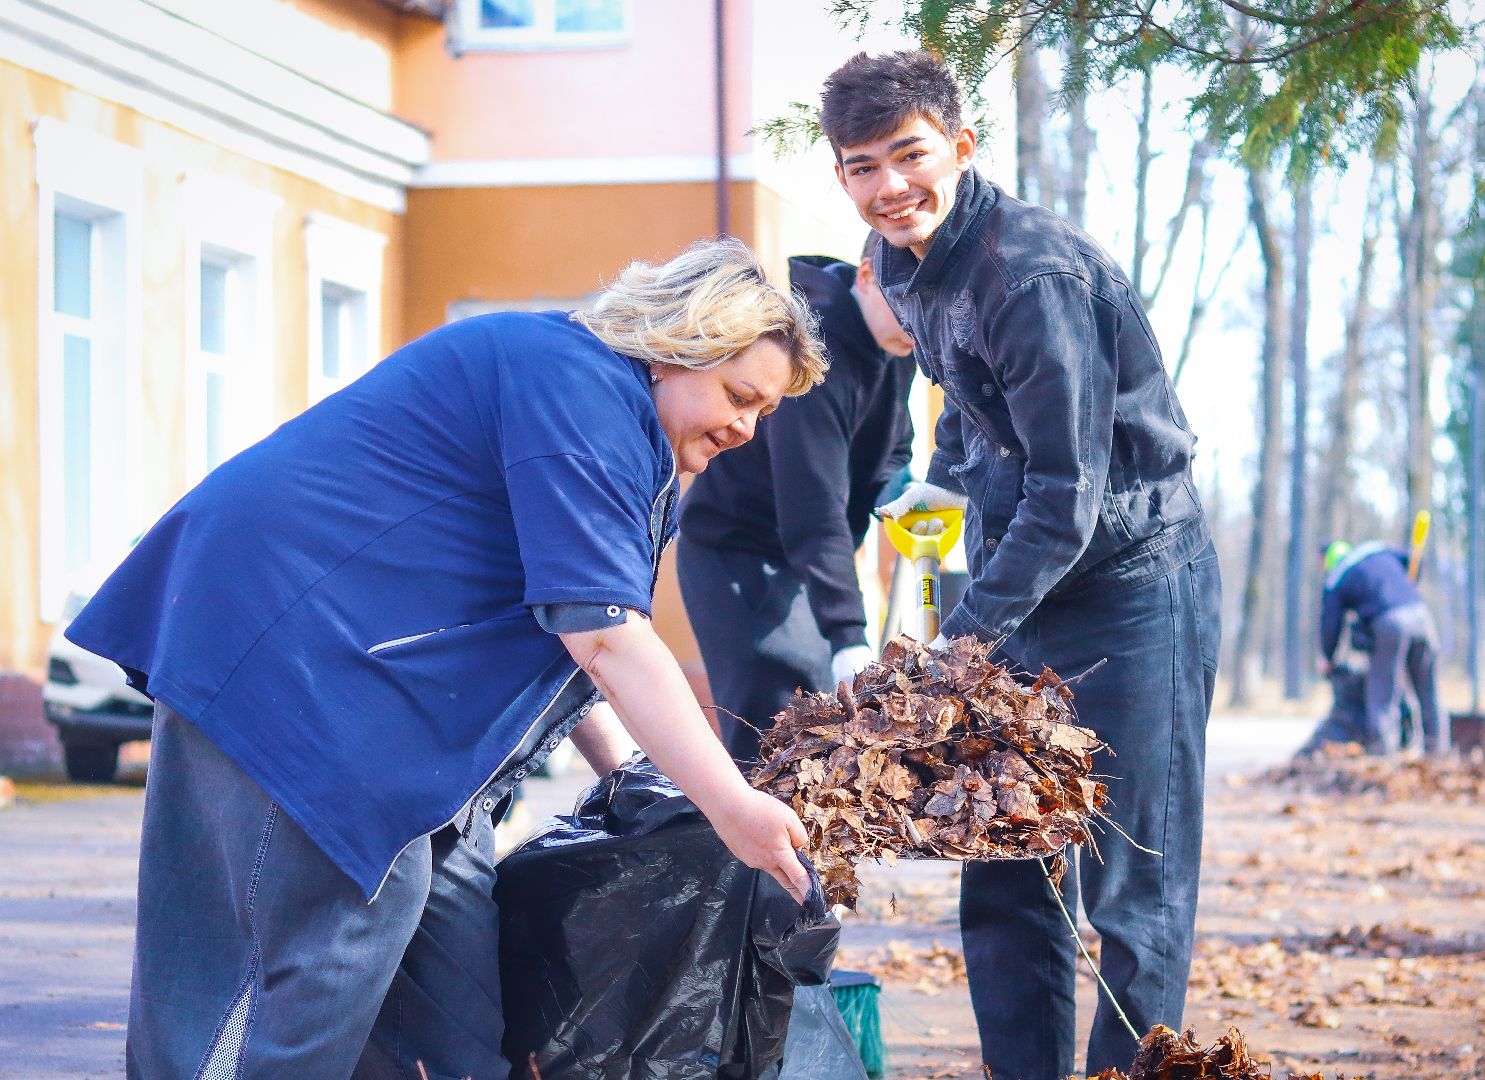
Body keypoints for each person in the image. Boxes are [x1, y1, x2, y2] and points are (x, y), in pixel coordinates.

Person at [65, 239, 824, 1079]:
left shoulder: (614, 423)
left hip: (404, 726)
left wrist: (625, 775)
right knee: (322, 957)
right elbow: (606, 635)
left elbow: (565, 631)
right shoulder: (577, 388)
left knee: (458, 1002)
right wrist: (729, 806)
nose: (747, 430)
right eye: (739, 395)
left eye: (764, 412)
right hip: (296, 670)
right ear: (682, 344)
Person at [815, 50, 1223, 1079]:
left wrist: (956, 645)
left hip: (1133, 585)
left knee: (1129, 879)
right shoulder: (902, 263)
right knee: (1004, 861)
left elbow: (1068, 493)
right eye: (862, 167)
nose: (888, 186)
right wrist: (936, 492)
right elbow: (972, 411)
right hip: (1027, 574)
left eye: (908, 156)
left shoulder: (1027, 274)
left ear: (960, 145)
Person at [678, 233, 917, 765]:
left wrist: (901, 496)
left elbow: (894, 447)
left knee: (822, 719)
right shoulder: (819, 351)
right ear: (866, 277)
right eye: (910, 300)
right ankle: (751, 846)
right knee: (784, 710)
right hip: (737, 552)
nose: (919, 321)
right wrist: (848, 635)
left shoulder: (897, 343)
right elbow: (814, 508)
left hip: (799, 560)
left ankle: (803, 848)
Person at [1319, 540, 1448, 756]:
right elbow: (1414, 559)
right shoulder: (1377, 551)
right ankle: (1439, 754)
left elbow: (1331, 623)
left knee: (1382, 692)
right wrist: (1410, 581)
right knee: (1428, 690)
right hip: (1421, 615)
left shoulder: (1337, 577)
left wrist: (1327, 656)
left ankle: (1383, 756)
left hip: (1389, 624)